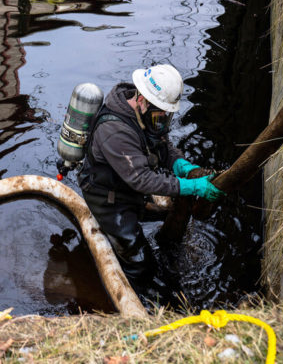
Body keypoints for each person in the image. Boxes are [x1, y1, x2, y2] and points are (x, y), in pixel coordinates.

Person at [77, 64, 225, 300]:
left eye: (167, 115)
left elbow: (163, 146)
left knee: (166, 216)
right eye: (161, 115)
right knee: (141, 264)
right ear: (142, 100)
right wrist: (188, 186)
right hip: (108, 199)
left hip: (127, 188)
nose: (164, 121)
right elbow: (142, 180)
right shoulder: (114, 131)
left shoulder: (145, 116)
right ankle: (139, 300)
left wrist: (182, 165)